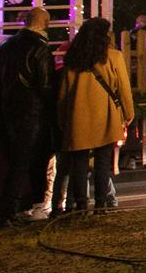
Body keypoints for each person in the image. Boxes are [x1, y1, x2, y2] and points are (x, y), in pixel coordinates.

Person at [53, 17, 133, 214]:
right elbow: (123, 88)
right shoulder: (113, 57)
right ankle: (100, 204)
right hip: (105, 115)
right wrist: (128, 114)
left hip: (77, 116)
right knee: (102, 162)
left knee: (78, 163)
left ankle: (81, 205)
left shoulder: (73, 58)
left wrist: (63, 119)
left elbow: (64, 93)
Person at [0, 8, 57, 225]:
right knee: (28, 162)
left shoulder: (4, 47)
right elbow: (45, 85)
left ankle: (19, 206)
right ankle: (11, 209)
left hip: (7, 110)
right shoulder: (40, 49)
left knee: (15, 161)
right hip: (32, 112)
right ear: (45, 24)